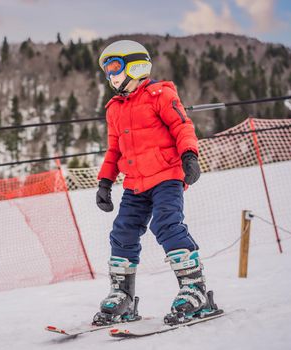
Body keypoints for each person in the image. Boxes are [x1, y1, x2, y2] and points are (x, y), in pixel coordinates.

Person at [92, 40, 219, 326]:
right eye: (107, 70)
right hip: (135, 183)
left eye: (114, 67)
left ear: (135, 66)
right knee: (122, 231)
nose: (110, 75)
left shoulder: (160, 94)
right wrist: (104, 182)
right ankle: (122, 296)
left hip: (166, 177)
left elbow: (182, 126)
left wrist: (189, 155)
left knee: (166, 224)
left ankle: (194, 290)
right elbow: (114, 150)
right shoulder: (114, 108)